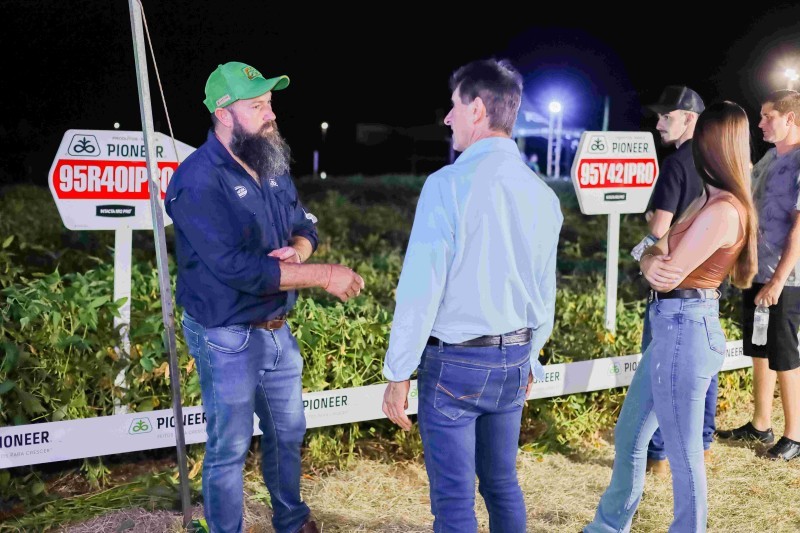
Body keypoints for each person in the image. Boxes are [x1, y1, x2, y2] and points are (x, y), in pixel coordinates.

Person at [165, 61, 364, 533]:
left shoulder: (268, 160)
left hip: (276, 328)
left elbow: (304, 224)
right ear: (223, 114)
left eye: (269, 103)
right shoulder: (197, 180)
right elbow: (237, 269)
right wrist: (323, 275)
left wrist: (298, 252)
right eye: (257, 106)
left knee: (288, 432)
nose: (270, 114)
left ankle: (291, 520)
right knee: (230, 447)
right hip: (225, 334)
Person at [381, 58, 562, 533]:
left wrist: (398, 371)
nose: (448, 118)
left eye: (454, 106)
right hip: (514, 359)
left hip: (455, 365)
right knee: (502, 484)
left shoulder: (447, 185)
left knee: (454, 501)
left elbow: (421, 288)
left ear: (477, 109)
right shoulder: (543, 194)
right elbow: (545, 292)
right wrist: (531, 358)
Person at [585, 101, 757, 532]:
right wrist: (650, 256)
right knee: (630, 434)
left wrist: (650, 258)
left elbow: (666, 270)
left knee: (682, 453)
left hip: (686, 327)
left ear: (709, 145)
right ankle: (607, 526)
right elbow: (655, 248)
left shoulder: (722, 210)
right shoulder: (706, 200)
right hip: (673, 327)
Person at [635, 85, 719, 474]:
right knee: (703, 369)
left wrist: (647, 238)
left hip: (671, 284)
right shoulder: (717, 161)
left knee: (659, 369)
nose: (658, 124)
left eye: (665, 116)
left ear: (689, 118)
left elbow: (659, 229)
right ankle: (703, 445)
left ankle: (657, 455)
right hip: (709, 283)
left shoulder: (675, 165)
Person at [716, 90, 800, 461]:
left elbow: (799, 226)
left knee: (785, 353)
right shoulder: (768, 157)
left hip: (788, 278)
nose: (761, 123)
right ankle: (761, 423)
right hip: (757, 273)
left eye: (769, 117)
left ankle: (795, 435)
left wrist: (779, 280)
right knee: (759, 349)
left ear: (790, 119)